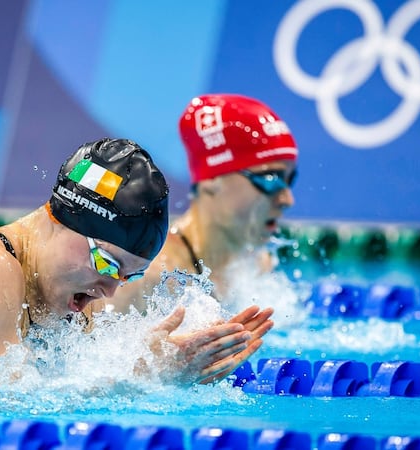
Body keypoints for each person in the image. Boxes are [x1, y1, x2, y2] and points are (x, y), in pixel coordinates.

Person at [0, 137, 273, 385]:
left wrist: (171, 371)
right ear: (64, 220)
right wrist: (143, 377)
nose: (111, 290)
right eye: (107, 264)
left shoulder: (65, 301)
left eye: (129, 276)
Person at [107, 94, 298, 314]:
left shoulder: (257, 265)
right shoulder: (147, 278)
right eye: (270, 179)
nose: (287, 200)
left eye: (290, 180)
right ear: (212, 180)